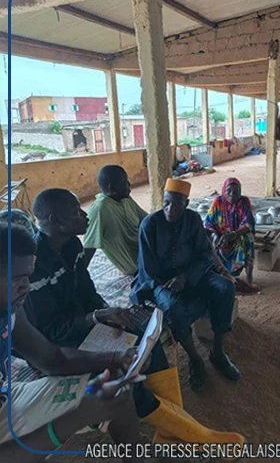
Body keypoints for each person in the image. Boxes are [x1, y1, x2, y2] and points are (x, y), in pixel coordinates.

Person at [24, 190, 244, 447]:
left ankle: (170, 432)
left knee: (148, 335)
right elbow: (48, 332)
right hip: (56, 344)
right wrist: (97, 316)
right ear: (55, 220)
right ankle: (190, 433)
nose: (85, 215)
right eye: (76, 212)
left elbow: (87, 292)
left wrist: (109, 313)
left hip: (86, 323)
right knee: (122, 374)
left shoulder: (72, 246)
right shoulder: (31, 268)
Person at [0, 222, 147, 463]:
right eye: (16, 279)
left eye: (27, 276)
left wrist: (116, 358)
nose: (26, 286)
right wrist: (76, 417)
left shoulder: (10, 311)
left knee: (114, 388)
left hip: (6, 399)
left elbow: (52, 359)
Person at [134, 179, 240, 392]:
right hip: (161, 281)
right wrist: (169, 284)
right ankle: (195, 359)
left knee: (225, 287)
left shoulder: (193, 219)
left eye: (177, 204)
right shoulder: (150, 225)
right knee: (172, 307)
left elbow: (205, 255)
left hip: (193, 274)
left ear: (186, 203)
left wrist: (186, 277)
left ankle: (218, 352)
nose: (170, 209)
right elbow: (148, 268)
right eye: (166, 203)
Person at [81, 165, 148, 276]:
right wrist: (78, 277)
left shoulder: (125, 199)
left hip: (146, 250)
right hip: (136, 264)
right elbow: (89, 247)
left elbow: (147, 220)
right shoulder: (100, 209)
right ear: (112, 188)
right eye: (124, 182)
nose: (129, 184)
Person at [204, 178, 258, 293]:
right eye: (228, 191)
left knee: (248, 237)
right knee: (208, 240)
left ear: (240, 192)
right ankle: (220, 275)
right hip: (220, 237)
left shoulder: (244, 202)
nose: (232, 195)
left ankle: (249, 277)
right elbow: (208, 223)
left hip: (237, 235)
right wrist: (215, 236)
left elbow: (249, 223)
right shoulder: (218, 202)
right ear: (224, 191)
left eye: (236, 192)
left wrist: (233, 235)